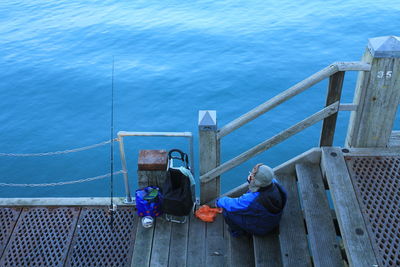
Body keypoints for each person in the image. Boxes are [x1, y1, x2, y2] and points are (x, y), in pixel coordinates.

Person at [216, 163, 287, 237]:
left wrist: (219, 201)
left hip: (261, 228)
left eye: (252, 175)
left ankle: (237, 233)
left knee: (228, 211)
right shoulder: (274, 183)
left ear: (257, 182)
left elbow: (232, 205)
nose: (251, 175)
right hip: (272, 219)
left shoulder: (251, 199)